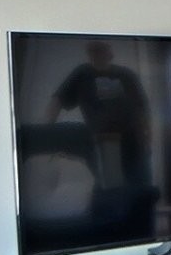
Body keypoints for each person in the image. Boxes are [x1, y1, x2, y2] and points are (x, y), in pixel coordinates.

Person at [44, 42, 151, 187]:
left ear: (110, 53)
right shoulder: (82, 74)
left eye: (101, 50)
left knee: (141, 188)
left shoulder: (127, 75)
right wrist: (47, 133)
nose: (97, 54)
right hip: (104, 143)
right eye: (93, 50)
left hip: (134, 143)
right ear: (89, 54)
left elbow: (142, 110)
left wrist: (147, 141)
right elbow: (57, 101)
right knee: (111, 187)